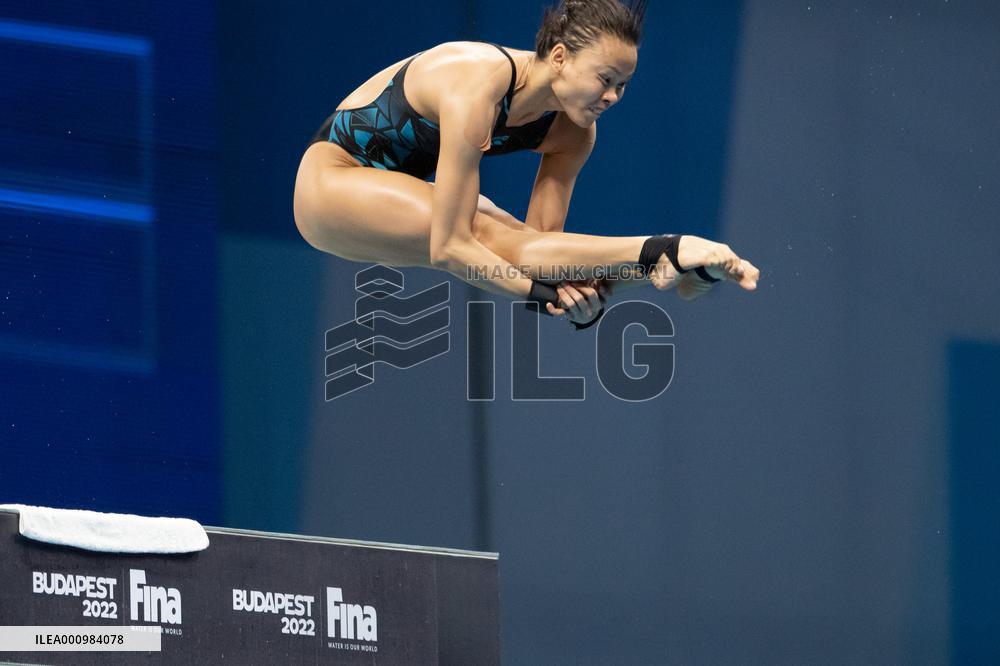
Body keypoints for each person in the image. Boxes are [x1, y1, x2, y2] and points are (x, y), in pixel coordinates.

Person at [293, 0, 759, 329]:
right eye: (605, 79)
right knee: (481, 232)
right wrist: (543, 295)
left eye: (623, 85)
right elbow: (451, 249)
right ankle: (664, 249)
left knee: (512, 240)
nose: (613, 96)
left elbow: (540, 251)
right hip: (331, 185)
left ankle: (666, 268)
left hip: (389, 188)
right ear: (559, 58)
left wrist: (574, 297)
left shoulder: (575, 133)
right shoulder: (476, 84)